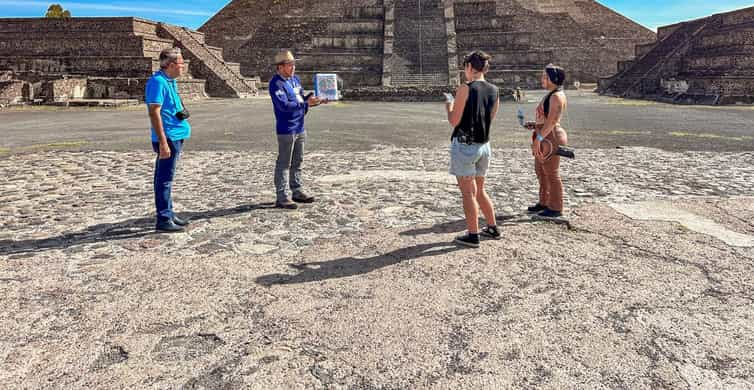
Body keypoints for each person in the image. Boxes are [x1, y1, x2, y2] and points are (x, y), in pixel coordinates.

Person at [445, 51, 501, 248]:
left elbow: (454, 120)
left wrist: (448, 105)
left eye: (465, 69)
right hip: (484, 146)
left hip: (466, 146)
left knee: (468, 193)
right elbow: (489, 118)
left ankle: (473, 234)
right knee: (480, 190)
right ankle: (492, 227)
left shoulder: (465, 89)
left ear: (469, 67)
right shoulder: (495, 90)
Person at [269, 50, 324, 209]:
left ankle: (297, 190)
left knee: (298, 161)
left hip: (300, 126)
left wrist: (314, 100)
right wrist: (307, 104)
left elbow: (300, 99)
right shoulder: (276, 83)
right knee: (284, 163)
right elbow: (284, 105)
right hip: (286, 129)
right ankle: (282, 196)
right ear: (280, 67)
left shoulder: (295, 80)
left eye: (293, 64)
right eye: (289, 64)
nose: (293, 67)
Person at [145, 47, 191, 233]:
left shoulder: (169, 81)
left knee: (167, 178)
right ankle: (163, 218)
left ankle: (169, 213)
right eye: (181, 64)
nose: (183, 67)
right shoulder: (157, 82)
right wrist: (163, 142)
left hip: (177, 134)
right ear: (171, 65)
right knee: (164, 179)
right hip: (168, 137)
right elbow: (154, 112)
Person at [526, 64, 568, 218]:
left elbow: (552, 121)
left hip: (549, 136)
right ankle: (544, 201)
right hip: (544, 134)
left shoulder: (556, 96)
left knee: (551, 173)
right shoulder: (552, 94)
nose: (542, 79)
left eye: (545, 76)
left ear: (553, 79)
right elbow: (545, 119)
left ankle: (555, 207)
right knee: (541, 171)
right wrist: (535, 125)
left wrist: (539, 138)